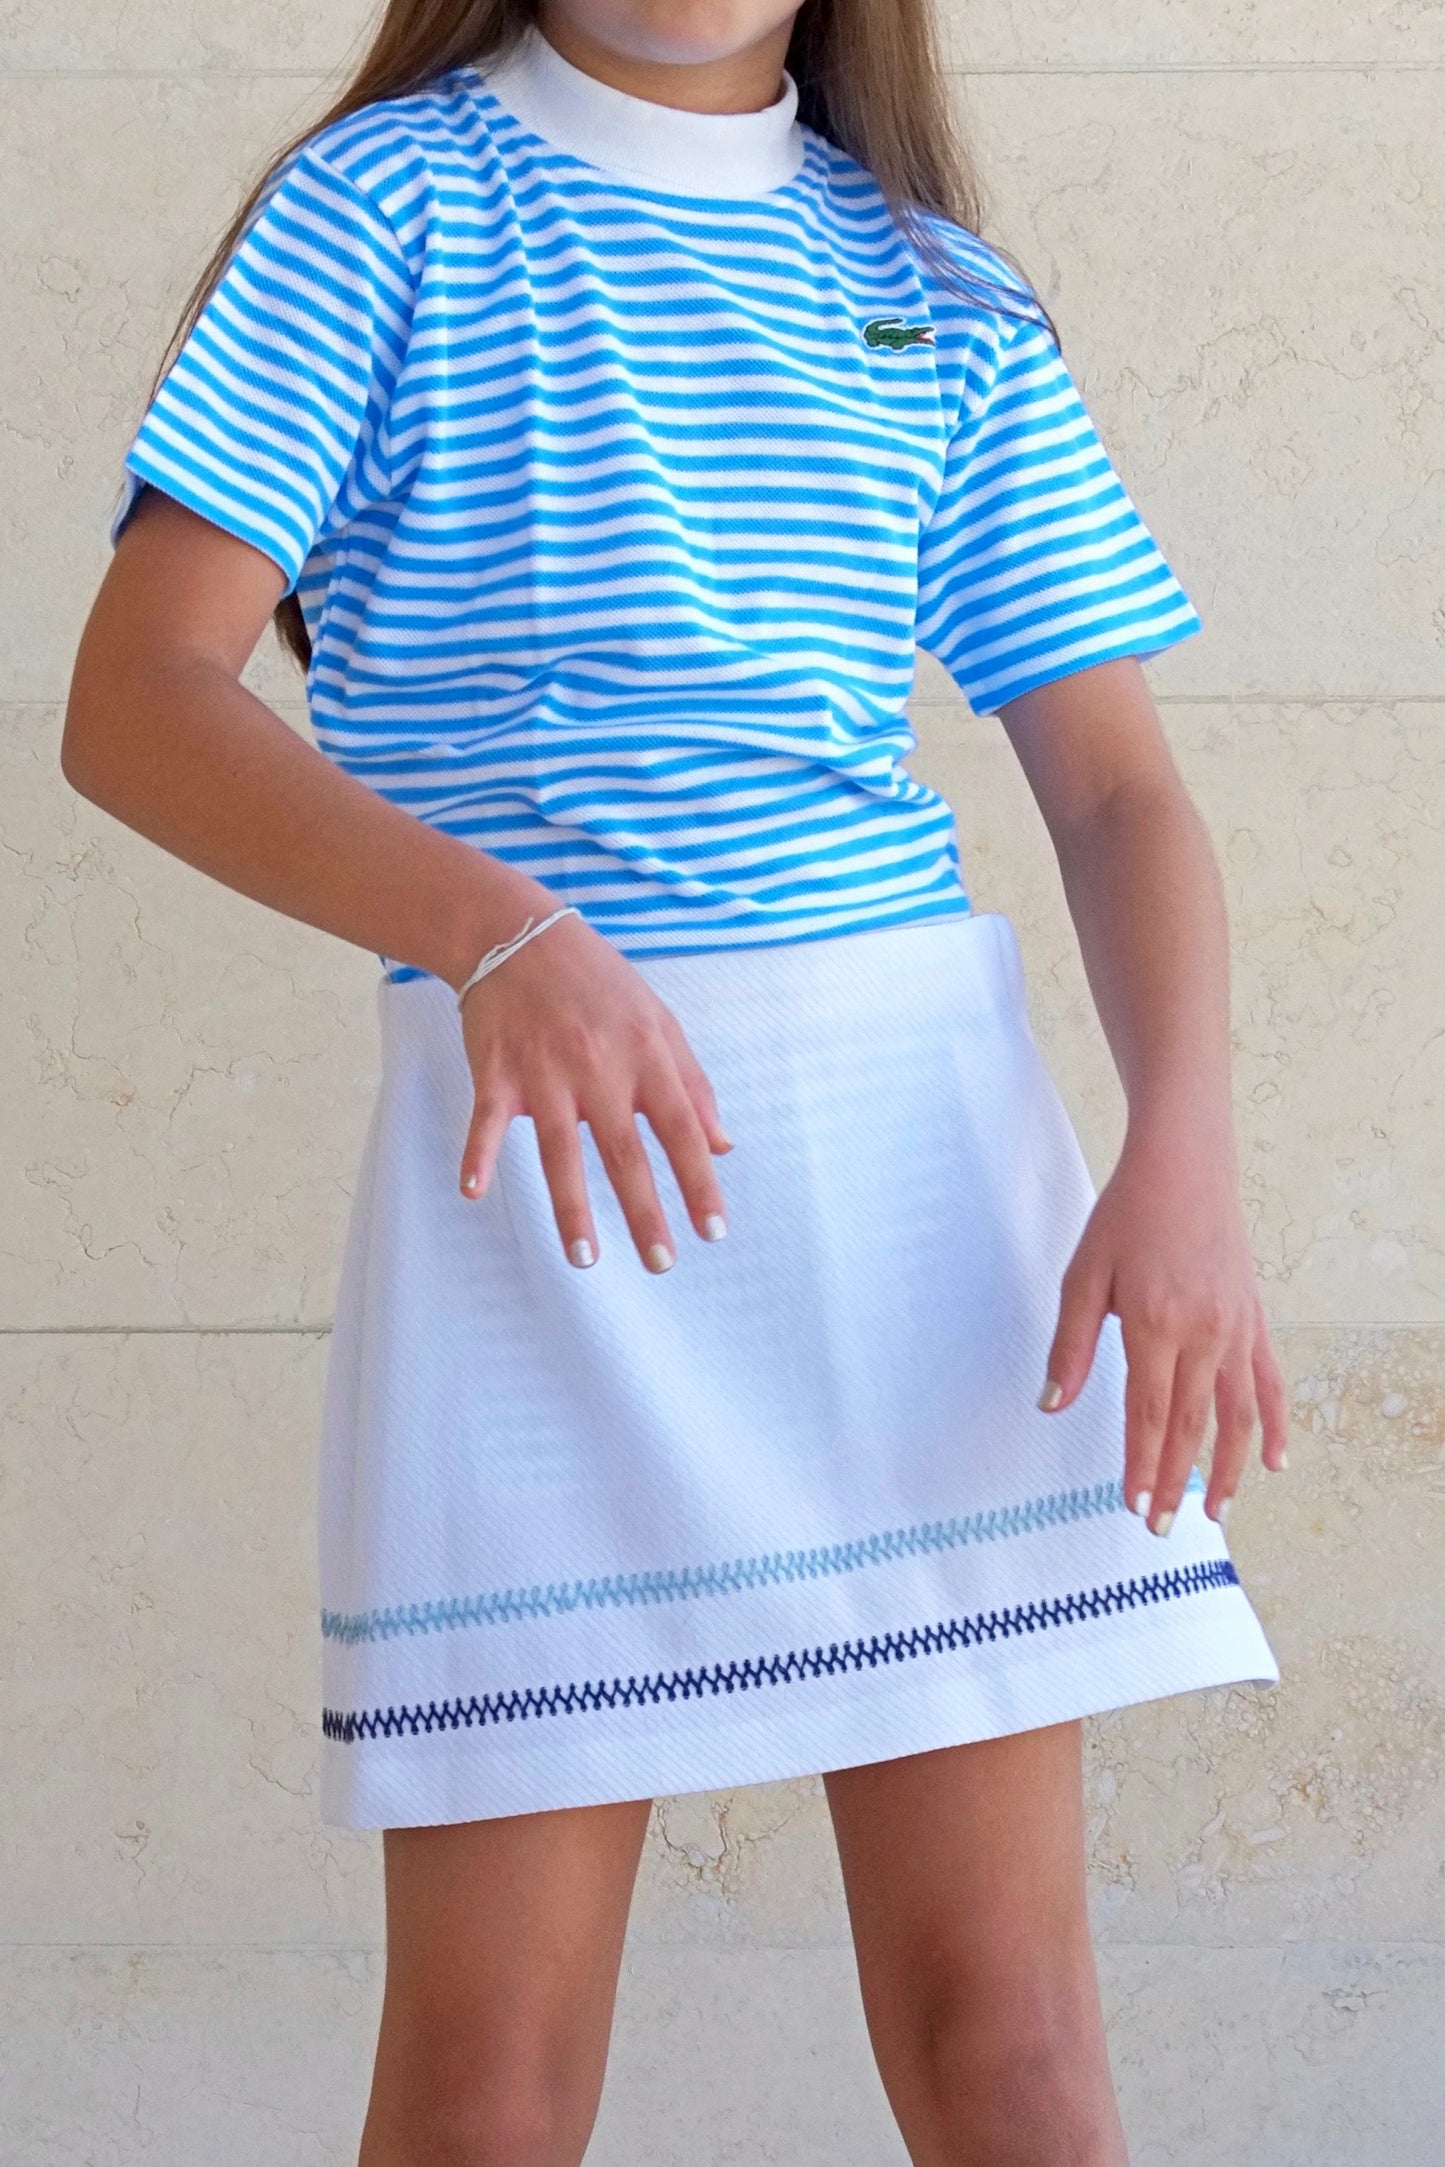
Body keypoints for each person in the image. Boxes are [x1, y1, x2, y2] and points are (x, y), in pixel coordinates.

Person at [62, 3, 1289, 2161]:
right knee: (488, 2094)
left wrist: (1186, 1151)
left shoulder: (931, 282)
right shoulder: (387, 207)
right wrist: (493, 931)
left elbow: (1117, 795)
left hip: (927, 1212)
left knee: (1010, 2050)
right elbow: (140, 698)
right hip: (544, 1204)